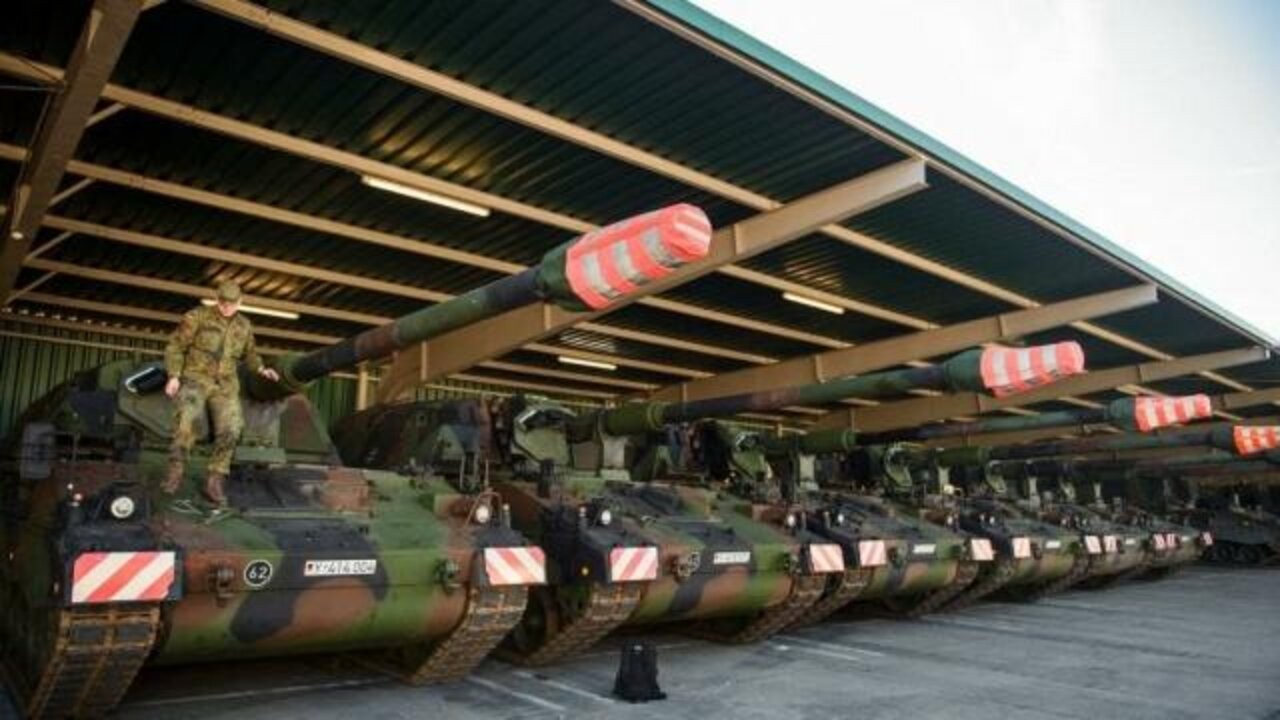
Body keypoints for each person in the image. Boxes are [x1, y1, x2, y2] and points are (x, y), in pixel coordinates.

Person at [162, 281, 279, 506]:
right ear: (217, 299)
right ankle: (175, 469)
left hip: (225, 385)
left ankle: (215, 479)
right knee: (185, 422)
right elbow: (175, 346)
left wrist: (261, 369)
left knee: (232, 429)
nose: (227, 307)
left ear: (240, 302)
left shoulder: (244, 325)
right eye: (223, 303)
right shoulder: (197, 317)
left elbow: (250, 353)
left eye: (232, 304)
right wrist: (174, 375)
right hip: (196, 379)